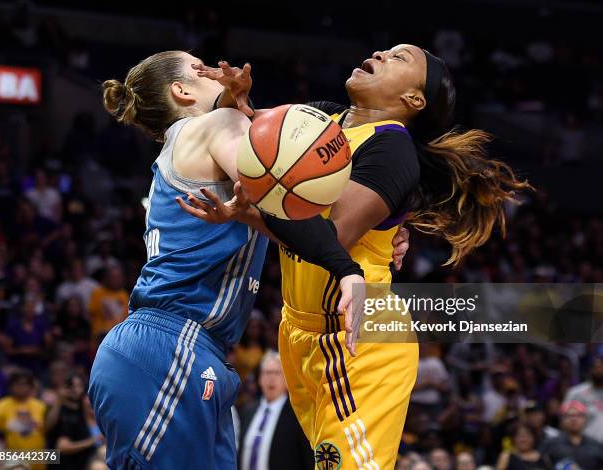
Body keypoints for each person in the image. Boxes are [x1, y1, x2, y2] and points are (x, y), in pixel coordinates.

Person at [185, 44, 530, 469]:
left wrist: (248, 215)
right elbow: (251, 155)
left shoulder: (391, 150)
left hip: (357, 338)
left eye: (400, 58)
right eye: (386, 49)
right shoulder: (321, 119)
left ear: (414, 100)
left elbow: (332, 239)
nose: (381, 53)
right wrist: (232, 102)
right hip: (299, 329)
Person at [87, 50, 409, 469]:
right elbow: (281, 200)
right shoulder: (214, 126)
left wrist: (388, 225)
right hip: (171, 347)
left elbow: (279, 193)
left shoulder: (197, 135)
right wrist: (346, 269)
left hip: (190, 352)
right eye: (200, 65)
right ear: (182, 90)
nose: (221, 68)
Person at [238, 351, 311, 470]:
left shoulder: (298, 415)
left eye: (277, 373)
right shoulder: (247, 411)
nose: (271, 378)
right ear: (260, 379)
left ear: (287, 380)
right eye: (267, 373)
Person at [46, 373, 103, 470]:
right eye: (71, 386)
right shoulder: (63, 412)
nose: (75, 390)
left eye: (79, 386)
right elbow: (49, 429)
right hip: (62, 462)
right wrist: (94, 440)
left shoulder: (87, 411)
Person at [0, 371, 46, 470]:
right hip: (11, 460)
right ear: (10, 386)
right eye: (17, 384)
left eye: (25, 384)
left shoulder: (40, 406)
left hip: (38, 459)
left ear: (31, 387)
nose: (21, 387)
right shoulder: (0, 407)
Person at [540, 400, 603, 469]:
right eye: (569, 415)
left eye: (579, 415)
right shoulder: (550, 444)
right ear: (561, 420)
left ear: (585, 419)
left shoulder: (596, 445)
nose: (574, 419)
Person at [562, 355, 603, 444]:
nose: (599, 370)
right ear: (590, 370)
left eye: (601, 367)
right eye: (596, 367)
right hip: (585, 446)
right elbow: (564, 418)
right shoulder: (576, 392)